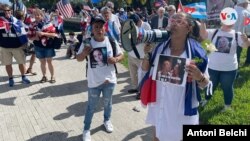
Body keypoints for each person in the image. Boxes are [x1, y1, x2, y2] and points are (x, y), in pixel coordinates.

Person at [140, 12, 210, 141]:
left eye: (179, 21)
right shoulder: (160, 48)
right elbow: (145, 69)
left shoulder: (196, 53)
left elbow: (206, 84)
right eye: (172, 20)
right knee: (157, 137)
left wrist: (199, 76)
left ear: (188, 28)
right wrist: (147, 54)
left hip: (181, 111)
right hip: (159, 105)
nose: (174, 23)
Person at [76, 15, 123, 141]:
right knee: (91, 106)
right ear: (92, 28)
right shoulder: (87, 42)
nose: (99, 29)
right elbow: (78, 58)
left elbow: (121, 55)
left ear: (104, 27)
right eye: (96, 26)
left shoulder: (111, 41)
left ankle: (107, 121)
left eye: (101, 26)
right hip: (94, 82)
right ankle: (86, 129)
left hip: (110, 80)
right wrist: (85, 53)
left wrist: (116, 59)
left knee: (108, 104)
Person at [200, 13, 250, 111]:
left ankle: (227, 106)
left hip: (229, 68)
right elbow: (203, 35)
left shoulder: (237, 34)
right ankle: (206, 99)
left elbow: (245, 46)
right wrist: (202, 22)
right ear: (222, 20)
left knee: (227, 87)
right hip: (213, 67)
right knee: (210, 85)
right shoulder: (214, 32)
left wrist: (247, 40)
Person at [0, 4, 30, 87]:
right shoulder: (0, 21)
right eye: (4, 11)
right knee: (7, 64)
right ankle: (10, 78)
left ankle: (24, 77)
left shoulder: (16, 21)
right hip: (5, 47)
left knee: (21, 63)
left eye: (8, 10)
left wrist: (25, 44)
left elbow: (23, 32)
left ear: (11, 11)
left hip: (17, 46)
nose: (7, 12)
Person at [127, 13, 151, 99]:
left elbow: (149, 40)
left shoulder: (146, 26)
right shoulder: (130, 26)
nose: (135, 25)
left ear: (140, 21)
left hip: (141, 56)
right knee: (133, 73)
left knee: (141, 75)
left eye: (136, 23)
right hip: (131, 54)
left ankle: (142, 92)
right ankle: (135, 88)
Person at [30, 8, 58, 83]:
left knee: (49, 62)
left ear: (42, 15)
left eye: (38, 15)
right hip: (38, 46)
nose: (37, 16)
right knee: (42, 62)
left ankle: (52, 76)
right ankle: (44, 76)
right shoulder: (32, 25)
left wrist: (44, 34)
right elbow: (29, 36)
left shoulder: (48, 23)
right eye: (35, 15)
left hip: (48, 46)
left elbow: (54, 34)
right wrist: (34, 38)